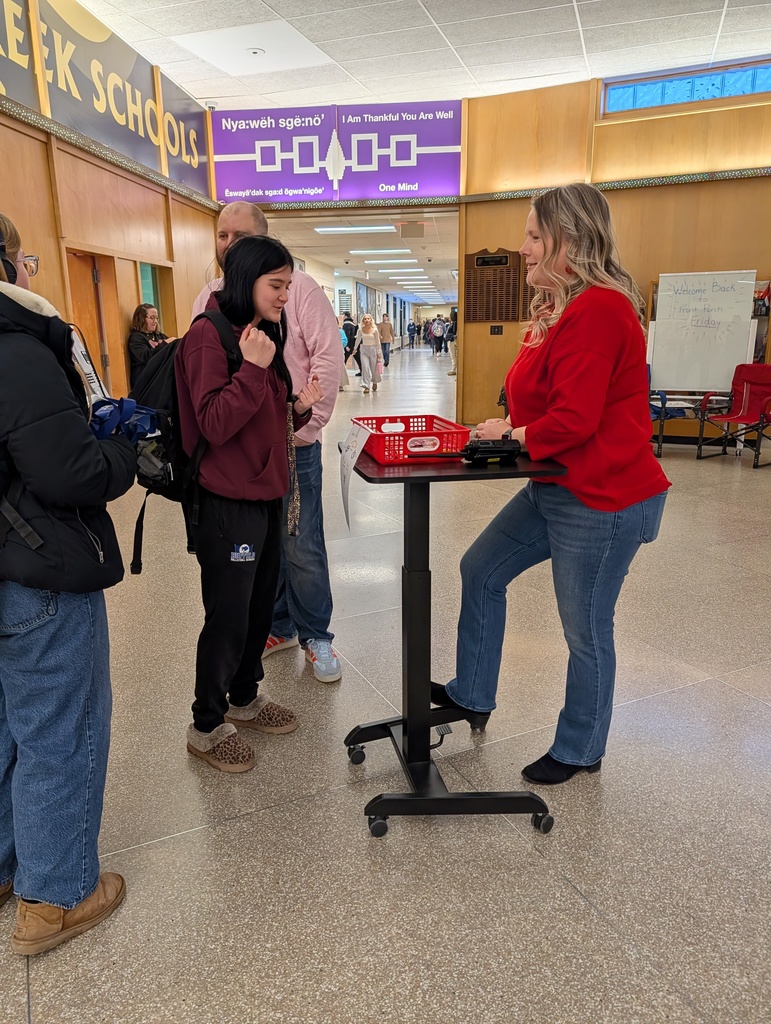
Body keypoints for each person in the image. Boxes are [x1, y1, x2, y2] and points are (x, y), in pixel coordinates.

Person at [431, 183, 671, 785]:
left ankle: (580, 748)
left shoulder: (600, 309)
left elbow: (574, 420)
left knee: (586, 629)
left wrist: (510, 436)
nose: (524, 247)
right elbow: (547, 402)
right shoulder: (566, 309)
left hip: (603, 497)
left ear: (571, 239)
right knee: (480, 569)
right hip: (557, 484)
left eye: (535, 236)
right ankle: (473, 691)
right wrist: (514, 423)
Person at [0, 212, 137, 954]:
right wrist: (118, 452)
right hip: (36, 571)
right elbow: (70, 473)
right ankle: (55, 897)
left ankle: (5, 867)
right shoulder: (19, 352)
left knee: (4, 726)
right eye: (23, 259)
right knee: (57, 729)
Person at [179, 236, 323, 772]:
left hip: (265, 493)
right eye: (277, 284)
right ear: (245, 280)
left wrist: (297, 411)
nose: (286, 295)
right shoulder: (207, 336)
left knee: (260, 609)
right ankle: (207, 723)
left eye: (289, 283)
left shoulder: (260, 334)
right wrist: (255, 370)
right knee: (229, 615)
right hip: (225, 501)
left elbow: (261, 413)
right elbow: (214, 422)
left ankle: (244, 697)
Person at [192, 202, 344, 685]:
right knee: (260, 550)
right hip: (236, 458)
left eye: (240, 235)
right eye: (221, 235)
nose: (229, 245)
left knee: (300, 543)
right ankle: (277, 626)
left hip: (291, 445)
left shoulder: (296, 296)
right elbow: (209, 396)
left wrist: (302, 424)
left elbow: (326, 359)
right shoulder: (209, 303)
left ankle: (316, 632)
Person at [127, 303, 172, 389]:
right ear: (141, 319)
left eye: (156, 318)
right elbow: (145, 357)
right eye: (152, 318)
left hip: (159, 378)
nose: (155, 321)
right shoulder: (136, 337)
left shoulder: (159, 336)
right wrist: (165, 344)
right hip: (145, 382)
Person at [352, 314, 382, 394]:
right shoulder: (360, 330)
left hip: (373, 349)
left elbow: (378, 342)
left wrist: (379, 352)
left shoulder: (375, 330)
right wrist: (355, 349)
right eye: (365, 319)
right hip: (364, 350)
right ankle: (366, 386)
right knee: (365, 368)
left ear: (371, 320)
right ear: (363, 320)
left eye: (368, 318)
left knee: (373, 368)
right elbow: (358, 340)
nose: (367, 320)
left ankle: (374, 381)